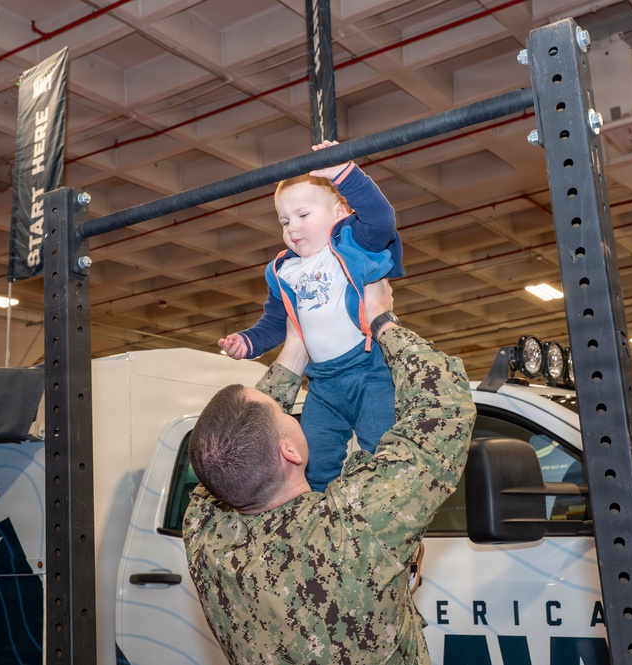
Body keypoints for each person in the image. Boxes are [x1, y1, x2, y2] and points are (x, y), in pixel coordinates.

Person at [184, 279, 477, 665]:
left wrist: (295, 350)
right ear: (288, 451)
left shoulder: (205, 533)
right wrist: (383, 320)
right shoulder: (353, 524)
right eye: (281, 411)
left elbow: (231, 447)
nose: (285, 406)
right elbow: (444, 409)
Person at [218, 141, 405, 491]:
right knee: (312, 459)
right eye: (284, 221)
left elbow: (382, 220)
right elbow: (275, 322)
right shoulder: (284, 271)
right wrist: (247, 341)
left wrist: (344, 175)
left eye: (303, 215)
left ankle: (387, 522)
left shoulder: (352, 244)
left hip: (369, 371)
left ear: (340, 211)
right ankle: (318, 517)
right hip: (321, 382)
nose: (292, 228)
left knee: (383, 452)